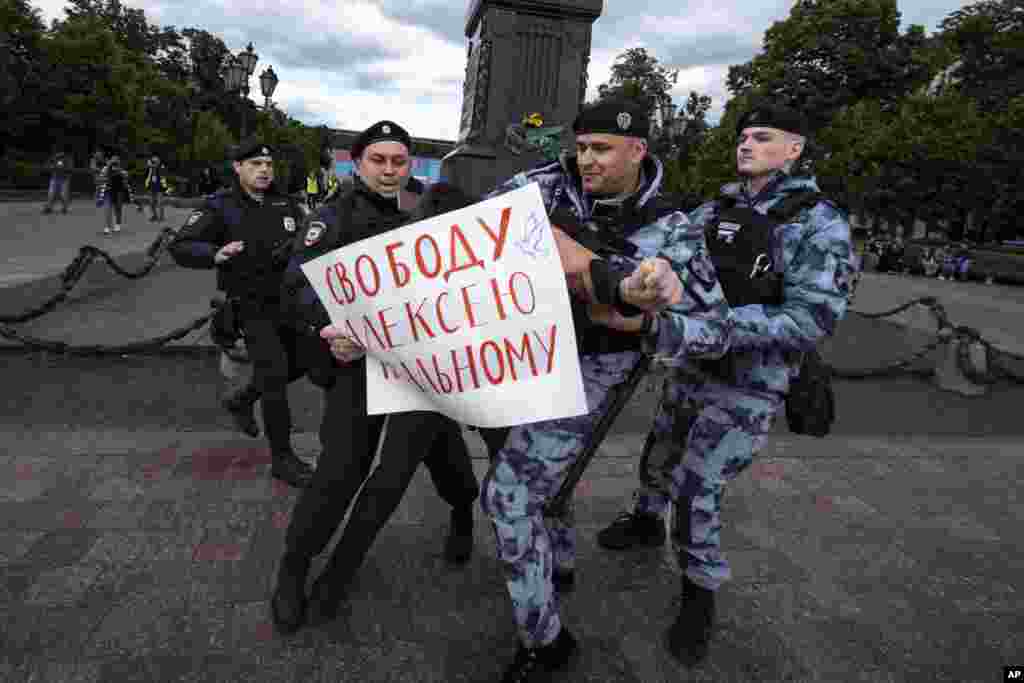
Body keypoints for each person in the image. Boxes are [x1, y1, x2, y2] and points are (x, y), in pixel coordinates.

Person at [470, 100, 734, 682]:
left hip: (592, 370)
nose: (585, 160)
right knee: (541, 483)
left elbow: (716, 331)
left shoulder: (676, 231)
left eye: (601, 150)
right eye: (581, 147)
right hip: (516, 356)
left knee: (508, 497)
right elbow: (475, 231)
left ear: (638, 149)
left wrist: (648, 324)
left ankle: (545, 642)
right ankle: (556, 562)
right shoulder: (545, 186)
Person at [595, 102, 855, 666]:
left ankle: (699, 590)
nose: (746, 145)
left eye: (763, 138)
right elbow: (669, 255)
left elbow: (813, 318)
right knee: (661, 448)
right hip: (694, 364)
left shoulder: (820, 222)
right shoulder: (718, 207)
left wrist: (716, 329)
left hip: (750, 380)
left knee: (698, 485)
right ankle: (644, 519)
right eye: (742, 137)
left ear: (794, 150)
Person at [269, 121, 481, 635]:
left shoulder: (436, 204)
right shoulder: (333, 215)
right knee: (340, 469)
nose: (390, 170)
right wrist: (327, 327)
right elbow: (299, 285)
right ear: (357, 163)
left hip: (425, 367)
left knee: (440, 462)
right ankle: (293, 570)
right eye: (379, 160)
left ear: (410, 165)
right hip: (359, 365)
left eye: (399, 161)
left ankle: (461, 515)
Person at [167, 138, 314, 489]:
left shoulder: (288, 203)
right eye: (255, 164)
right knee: (275, 376)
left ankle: (243, 398)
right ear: (238, 167)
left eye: (268, 164)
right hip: (250, 305)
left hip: (289, 302)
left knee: (308, 361)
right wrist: (215, 253)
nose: (264, 170)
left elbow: (309, 241)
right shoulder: (220, 206)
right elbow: (182, 245)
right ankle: (283, 458)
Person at [95, 154, 135, 235]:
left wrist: (119, 171)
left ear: (119, 162)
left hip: (118, 192)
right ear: (110, 161)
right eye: (113, 160)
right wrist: (107, 173)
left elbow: (127, 177)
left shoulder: (121, 170)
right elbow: (100, 179)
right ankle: (107, 227)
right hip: (108, 191)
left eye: (116, 161)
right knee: (107, 209)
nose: (115, 162)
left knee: (118, 208)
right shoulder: (105, 169)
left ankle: (117, 224)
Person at [42, 150, 72, 215]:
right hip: (54, 179)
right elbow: (47, 166)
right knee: (51, 193)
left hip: (64, 179)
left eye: (61, 153)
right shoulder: (53, 159)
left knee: (63, 194)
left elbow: (70, 169)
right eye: (58, 153)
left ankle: (64, 208)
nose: (59, 155)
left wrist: (63, 168)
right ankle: (48, 207)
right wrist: (52, 167)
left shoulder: (67, 159)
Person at [145, 154, 168, 222]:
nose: (154, 160)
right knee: (151, 203)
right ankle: (154, 216)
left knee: (160, 202)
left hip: (159, 187)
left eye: (156, 159)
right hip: (151, 186)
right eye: (153, 159)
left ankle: (161, 217)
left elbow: (162, 174)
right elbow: (147, 176)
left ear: (159, 160)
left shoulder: (161, 166)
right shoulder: (150, 167)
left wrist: (165, 188)